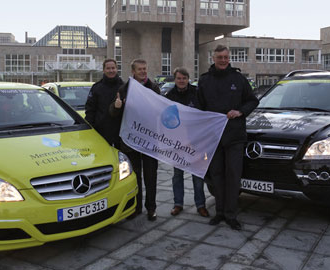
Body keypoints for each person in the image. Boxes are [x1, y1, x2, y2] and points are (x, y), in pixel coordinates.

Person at [197, 45, 259, 230]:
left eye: (225, 57)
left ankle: (231, 215)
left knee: (233, 176)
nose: (223, 60)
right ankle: (220, 212)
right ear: (213, 58)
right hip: (213, 137)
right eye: (219, 57)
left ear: (229, 58)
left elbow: (253, 100)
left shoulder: (238, 79)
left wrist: (240, 111)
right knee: (216, 176)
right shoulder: (204, 80)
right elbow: (199, 108)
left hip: (234, 136)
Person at [109, 59, 161, 221]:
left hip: (150, 140)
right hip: (131, 142)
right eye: (140, 69)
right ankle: (136, 207)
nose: (143, 72)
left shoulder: (154, 88)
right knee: (134, 176)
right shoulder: (124, 89)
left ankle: (151, 208)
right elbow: (113, 113)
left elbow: (160, 111)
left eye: (145, 69)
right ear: (133, 71)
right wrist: (116, 107)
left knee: (151, 176)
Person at [165, 67, 209, 218]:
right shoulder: (169, 95)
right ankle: (178, 204)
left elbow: (205, 114)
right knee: (177, 175)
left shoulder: (197, 93)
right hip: (178, 142)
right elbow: (166, 120)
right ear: (175, 79)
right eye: (179, 78)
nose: (181, 81)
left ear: (188, 79)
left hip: (196, 141)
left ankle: (201, 205)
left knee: (198, 175)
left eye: (184, 78)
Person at [85, 59, 124, 147]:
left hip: (120, 132)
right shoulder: (96, 88)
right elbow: (90, 109)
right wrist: (90, 128)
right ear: (103, 70)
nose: (111, 71)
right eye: (108, 68)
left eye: (113, 68)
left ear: (116, 69)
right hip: (102, 131)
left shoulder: (124, 87)